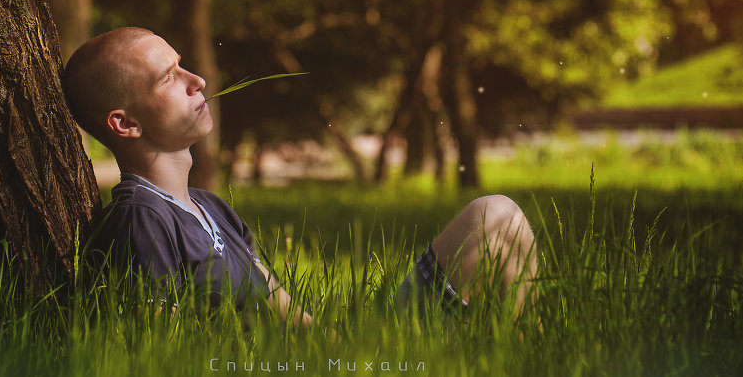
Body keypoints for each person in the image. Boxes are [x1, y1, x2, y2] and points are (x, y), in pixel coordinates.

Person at [62, 27, 538, 328]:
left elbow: (292, 317)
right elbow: (154, 352)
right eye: (168, 78)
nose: (197, 81)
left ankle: (503, 356)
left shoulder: (210, 207)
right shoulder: (139, 221)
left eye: (183, 66)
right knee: (494, 214)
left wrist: (354, 350)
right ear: (125, 124)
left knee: (498, 217)